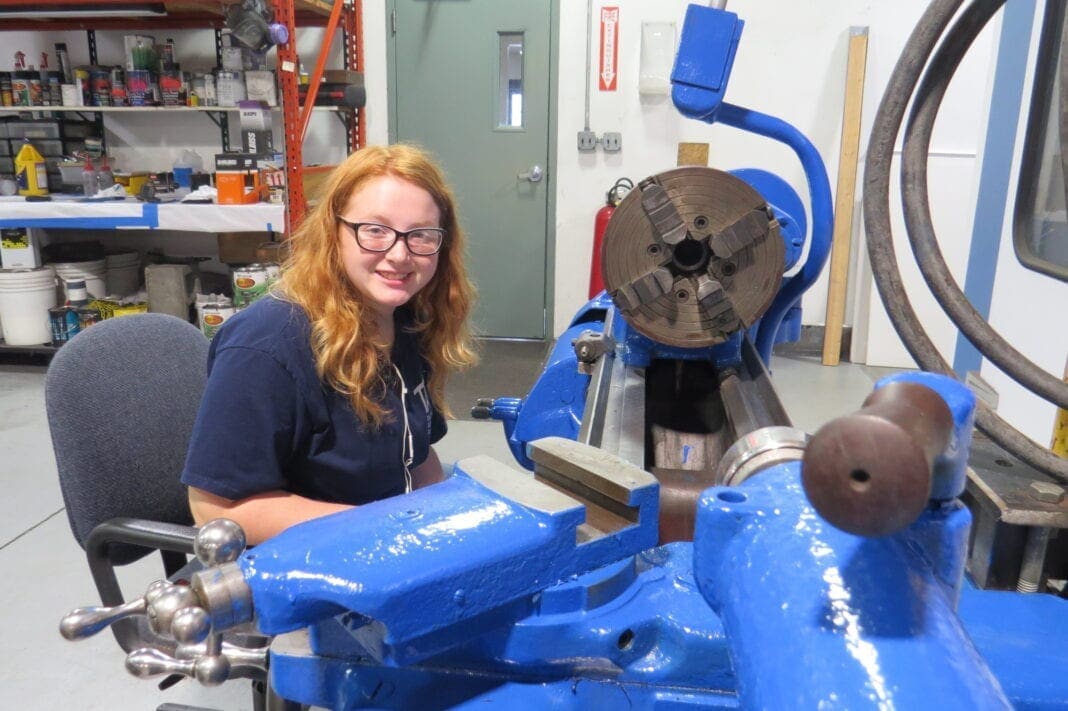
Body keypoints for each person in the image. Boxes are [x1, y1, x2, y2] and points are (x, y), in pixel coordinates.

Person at [181, 144, 477, 544]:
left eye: (421, 235)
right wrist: (391, 528)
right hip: (302, 568)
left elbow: (417, 457)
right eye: (375, 230)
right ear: (333, 232)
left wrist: (444, 528)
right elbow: (216, 508)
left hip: (387, 545)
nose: (400, 254)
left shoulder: (406, 321)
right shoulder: (268, 344)